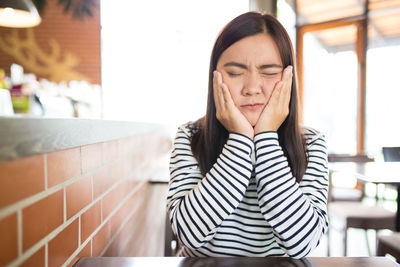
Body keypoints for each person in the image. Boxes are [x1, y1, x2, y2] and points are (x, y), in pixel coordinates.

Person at [166, 11, 328, 258]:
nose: (252, 88)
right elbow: (189, 235)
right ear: (214, 77)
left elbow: (302, 244)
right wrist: (240, 139)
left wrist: (266, 137)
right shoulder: (190, 136)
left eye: (270, 72)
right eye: (234, 72)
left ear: (288, 77)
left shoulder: (311, 143)